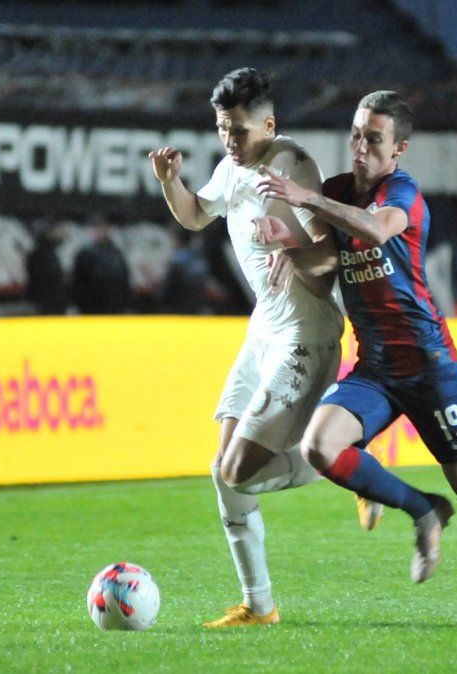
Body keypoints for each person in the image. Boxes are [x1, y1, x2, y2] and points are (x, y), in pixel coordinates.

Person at [255, 90, 457, 631]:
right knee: (320, 445)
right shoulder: (338, 191)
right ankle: (421, 509)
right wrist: (286, 246)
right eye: (357, 134)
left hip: (428, 364)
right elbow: (329, 258)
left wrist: (307, 201)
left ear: (399, 149)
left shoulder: (403, 194)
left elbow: (377, 228)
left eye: (374, 139)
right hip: (377, 366)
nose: (360, 147)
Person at [148, 68, 383, 628]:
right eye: (222, 128)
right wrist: (169, 180)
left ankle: (348, 459)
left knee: (238, 471)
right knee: (223, 471)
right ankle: (260, 604)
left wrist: (292, 243)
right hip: (264, 333)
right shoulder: (232, 168)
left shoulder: (292, 168)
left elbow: (330, 262)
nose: (229, 139)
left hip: (306, 335)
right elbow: (195, 215)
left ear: (269, 124)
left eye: (239, 129)